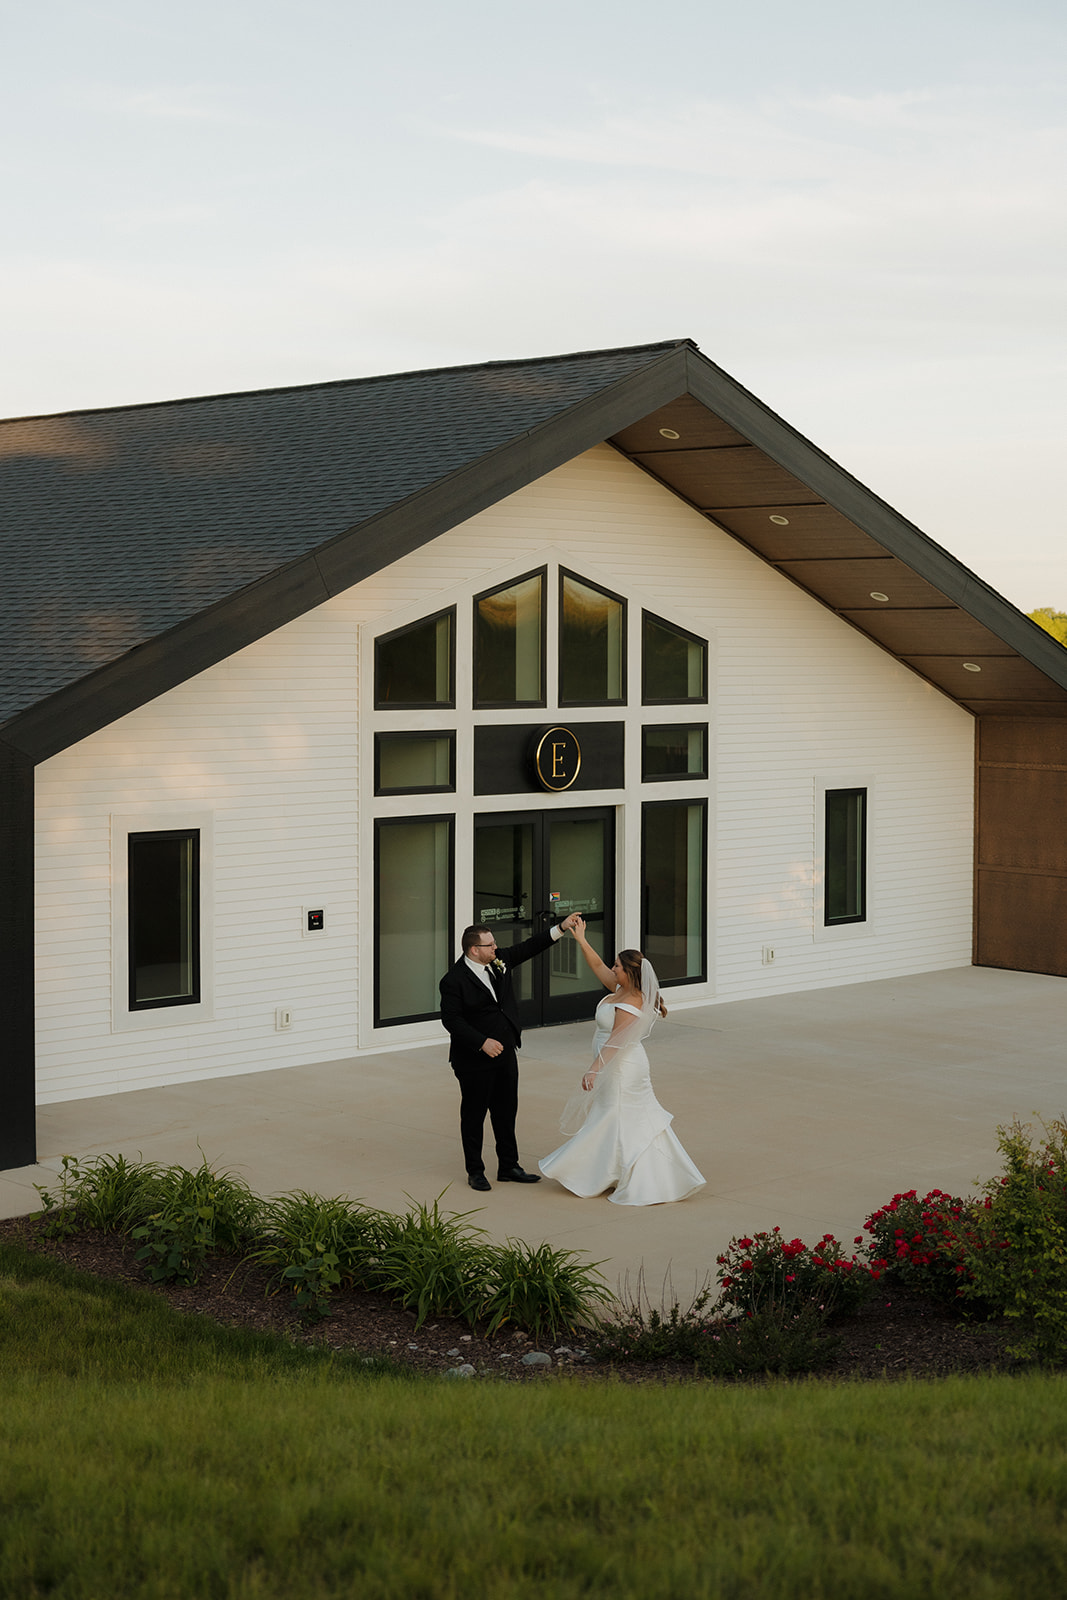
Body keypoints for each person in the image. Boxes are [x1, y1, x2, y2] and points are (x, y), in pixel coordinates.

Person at [538, 917, 705, 1205]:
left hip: (622, 1068)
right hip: (612, 1064)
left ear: (629, 972)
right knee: (616, 1118)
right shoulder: (620, 989)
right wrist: (580, 939)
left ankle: (628, 1176)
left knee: (615, 1117)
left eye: (617, 965)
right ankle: (612, 1171)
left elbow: (616, 1041)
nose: (612, 968)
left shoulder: (630, 1002)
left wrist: (593, 1070)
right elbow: (597, 966)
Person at [440, 915, 580, 1190]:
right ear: (474, 950)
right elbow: (452, 1020)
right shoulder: (453, 980)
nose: (496, 948)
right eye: (490, 945)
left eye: (495, 944)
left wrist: (561, 928)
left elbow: (529, 947)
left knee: (506, 1111)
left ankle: (508, 1166)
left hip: (505, 1053)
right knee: (474, 1115)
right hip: (473, 1059)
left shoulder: (497, 962)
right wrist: (482, 1042)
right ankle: (475, 1171)